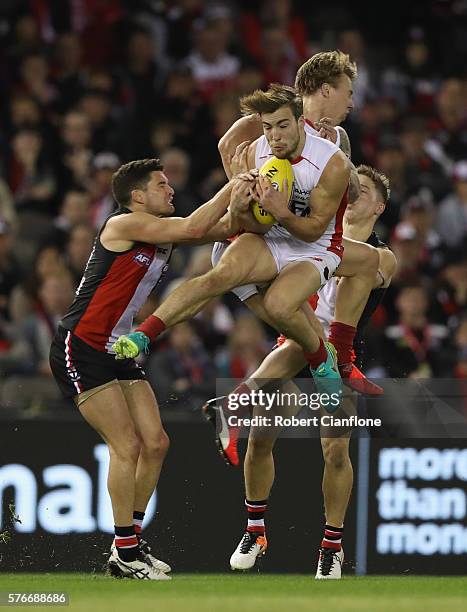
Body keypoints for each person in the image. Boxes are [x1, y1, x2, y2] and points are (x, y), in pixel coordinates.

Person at [49, 158, 254, 580]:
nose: (170, 189)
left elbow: (221, 228)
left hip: (118, 350)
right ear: (137, 196)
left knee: (156, 443)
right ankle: (124, 552)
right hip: (82, 346)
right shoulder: (122, 225)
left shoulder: (160, 233)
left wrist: (256, 205)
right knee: (125, 445)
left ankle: (128, 543)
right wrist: (235, 181)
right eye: (161, 184)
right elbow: (197, 228)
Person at [113, 85, 380, 403]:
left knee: (280, 306)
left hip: (318, 248)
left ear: (299, 121)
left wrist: (279, 210)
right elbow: (254, 224)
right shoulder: (257, 152)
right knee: (217, 277)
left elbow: (313, 230)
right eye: (268, 128)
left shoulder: (330, 164)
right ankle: (145, 334)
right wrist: (243, 204)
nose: (275, 137)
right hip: (273, 237)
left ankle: (323, 357)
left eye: (282, 126)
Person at [207, 165, 395, 579]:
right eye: (351, 188)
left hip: (337, 357)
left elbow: (360, 273)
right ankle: (255, 530)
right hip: (294, 346)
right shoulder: (316, 238)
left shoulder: (380, 256)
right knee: (259, 443)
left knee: (335, 451)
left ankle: (332, 547)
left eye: (362, 191)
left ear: (379, 206)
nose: (352, 193)